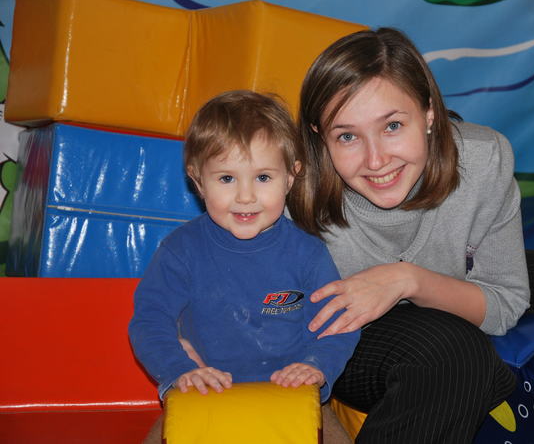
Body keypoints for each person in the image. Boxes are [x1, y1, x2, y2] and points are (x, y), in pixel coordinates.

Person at [286, 27, 530, 443]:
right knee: (454, 354)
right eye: (347, 136)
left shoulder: (484, 159)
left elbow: (506, 303)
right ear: (319, 137)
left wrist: (406, 279)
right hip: (343, 340)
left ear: (429, 113)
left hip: (443, 282)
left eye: (393, 126)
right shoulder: (291, 191)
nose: (376, 160)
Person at [128, 91, 360, 411]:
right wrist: (181, 370)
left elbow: (338, 325)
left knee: (334, 435)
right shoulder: (181, 250)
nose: (246, 196)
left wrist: (315, 365)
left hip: (291, 399)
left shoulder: (308, 253)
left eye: (263, 177)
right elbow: (149, 322)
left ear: (290, 177)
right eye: (227, 178)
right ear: (198, 180)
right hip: (206, 397)